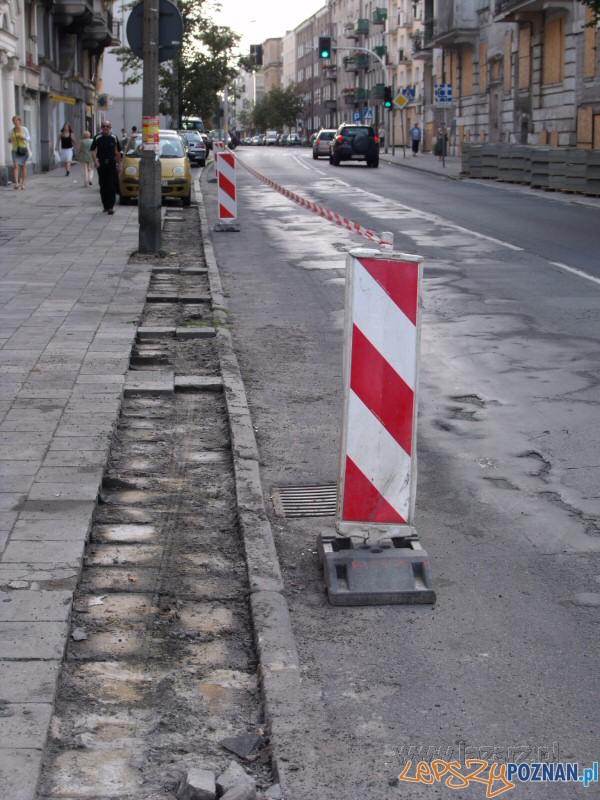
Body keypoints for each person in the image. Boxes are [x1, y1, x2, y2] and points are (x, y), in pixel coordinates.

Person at [90, 120, 122, 215]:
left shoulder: (114, 137)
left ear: (110, 127)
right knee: (103, 185)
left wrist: (119, 164)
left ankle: (111, 207)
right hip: (102, 164)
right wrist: (95, 161)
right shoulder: (97, 137)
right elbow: (93, 151)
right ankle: (105, 206)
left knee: (112, 185)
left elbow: (118, 152)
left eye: (107, 126)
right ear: (101, 128)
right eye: (104, 126)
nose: (105, 128)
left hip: (112, 164)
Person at [8, 115, 31, 190]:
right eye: (14, 121)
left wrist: (23, 137)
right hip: (15, 150)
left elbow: (29, 138)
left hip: (23, 150)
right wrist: (10, 140)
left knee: (23, 166)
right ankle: (17, 183)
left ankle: (23, 184)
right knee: (15, 166)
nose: (15, 122)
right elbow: (9, 140)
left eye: (16, 120)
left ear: (19, 121)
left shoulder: (24, 129)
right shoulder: (11, 130)